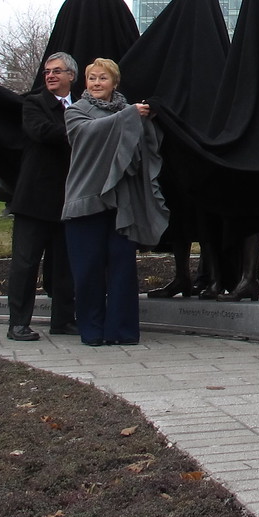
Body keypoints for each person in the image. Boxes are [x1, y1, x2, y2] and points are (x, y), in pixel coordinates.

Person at [62, 58, 167, 346]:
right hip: (85, 202)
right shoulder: (76, 112)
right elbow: (89, 135)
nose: (96, 83)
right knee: (88, 270)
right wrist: (130, 117)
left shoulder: (126, 110)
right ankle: (92, 330)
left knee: (122, 267)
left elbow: (144, 147)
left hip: (122, 204)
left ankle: (121, 330)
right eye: (92, 78)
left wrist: (149, 119)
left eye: (103, 79)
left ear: (114, 83)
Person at [5, 52, 79, 341]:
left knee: (64, 265)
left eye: (57, 71)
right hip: (34, 200)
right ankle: (18, 323)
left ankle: (63, 320)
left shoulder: (82, 105)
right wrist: (84, 132)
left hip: (67, 200)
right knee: (25, 264)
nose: (50, 75)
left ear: (71, 76)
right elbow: (42, 132)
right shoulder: (34, 103)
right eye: (47, 71)